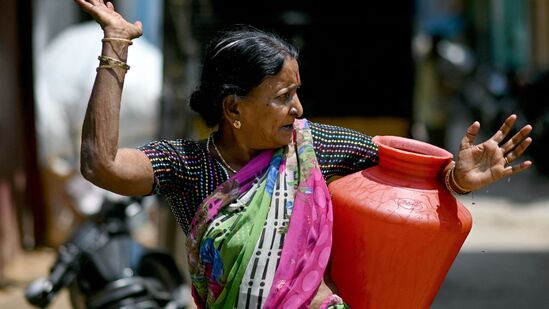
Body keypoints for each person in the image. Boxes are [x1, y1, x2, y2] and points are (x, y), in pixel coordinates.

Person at [74, 1, 533, 308]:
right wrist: (116, 45)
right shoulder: (189, 166)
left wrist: (455, 178)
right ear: (233, 107)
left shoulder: (315, 147)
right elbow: (102, 164)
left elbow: (404, 176)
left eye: (298, 93)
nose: (298, 109)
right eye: (282, 96)